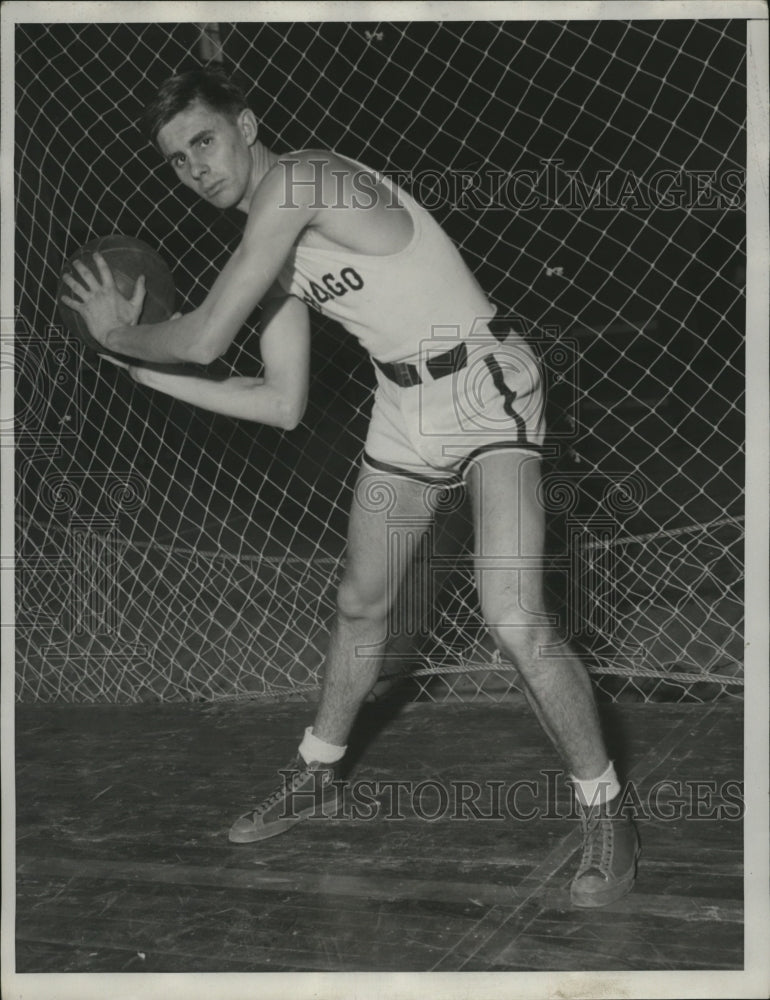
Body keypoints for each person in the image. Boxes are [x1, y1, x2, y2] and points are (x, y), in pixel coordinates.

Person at [60, 67, 639, 908]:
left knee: (512, 615)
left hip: (483, 381)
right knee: (362, 603)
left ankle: (606, 814)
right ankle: (317, 772)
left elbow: (205, 333)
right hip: (402, 405)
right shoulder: (274, 252)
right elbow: (280, 402)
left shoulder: (300, 180)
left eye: (205, 141)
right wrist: (137, 371)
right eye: (178, 159)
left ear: (248, 124)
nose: (194, 167)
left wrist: (121, 332)